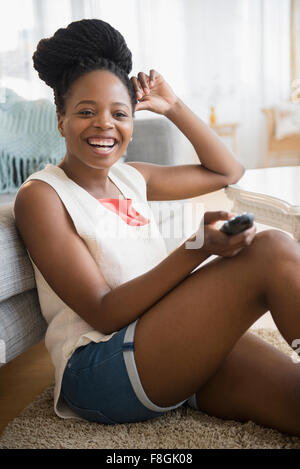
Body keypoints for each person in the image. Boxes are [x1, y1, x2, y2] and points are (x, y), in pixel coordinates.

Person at [13, 18, 300, 436]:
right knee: (272, 249)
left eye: (119, 113)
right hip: (101, 370)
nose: (104, 124)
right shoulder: (42, 195)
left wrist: (174, 106)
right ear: (60, 120)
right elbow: (103, 311)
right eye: (85, 112)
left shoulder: (132, 178)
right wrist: (198, 248)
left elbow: (227, 170)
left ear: (132, 121)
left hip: (163, 348)